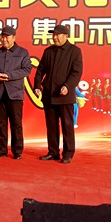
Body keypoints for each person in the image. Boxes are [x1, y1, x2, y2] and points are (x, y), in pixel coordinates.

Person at [33, 24, 83, 164]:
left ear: (65, 36)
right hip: (49, 95)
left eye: (57, 35)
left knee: (67, 126)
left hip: (64, 96)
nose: (54, 37)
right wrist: (37, 86)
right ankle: (53, 152)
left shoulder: (74, 51)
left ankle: (68, 153)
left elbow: (76, 73)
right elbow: (40, 70)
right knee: (51, 126)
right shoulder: (48, 51)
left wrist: (67, 86)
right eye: (53, 35)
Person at [0, 25, 31, 160]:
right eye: (2, 37)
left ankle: (17, 151)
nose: (4, 39)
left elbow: (27, 69)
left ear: (14, 38)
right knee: (0, 123)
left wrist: (9, 76)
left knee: (16, 123)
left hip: (15, 93)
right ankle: (1, 150)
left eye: (7, 37)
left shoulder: (23, 52)